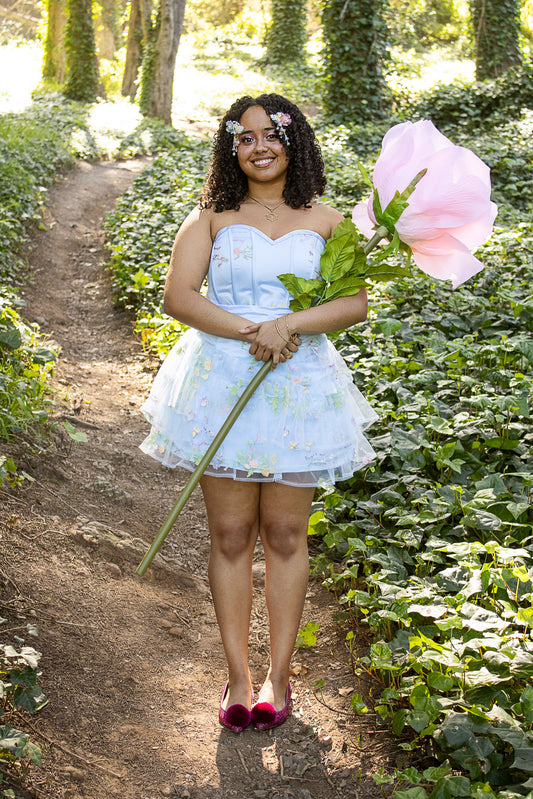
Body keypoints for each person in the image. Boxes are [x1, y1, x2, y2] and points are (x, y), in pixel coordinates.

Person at [140, 93, 377, 732]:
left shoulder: (330, 220)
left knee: (285, 535)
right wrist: (252, 330)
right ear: (230, 148)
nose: (259, 145)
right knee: (230, 536)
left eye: (271, 133)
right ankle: (239, 677)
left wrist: (289, 324)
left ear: (295, 141)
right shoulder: (211, 217)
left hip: (299, 387)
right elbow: (179, 296)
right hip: (221, 380)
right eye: (244, 138)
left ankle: (279, 675)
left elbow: (353, 303)